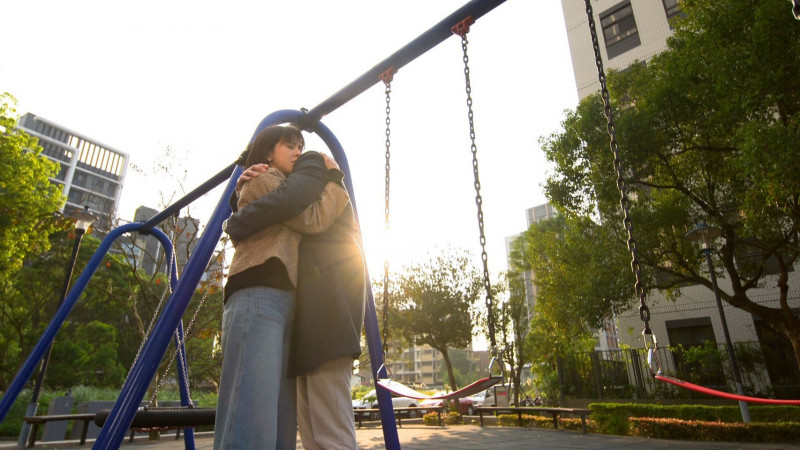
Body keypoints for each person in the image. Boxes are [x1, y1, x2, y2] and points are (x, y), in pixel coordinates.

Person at [225, 136, 366, 450]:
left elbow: (306, 215)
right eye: (290, 145)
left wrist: (333, 181)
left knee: (318, 429)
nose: (298, 151)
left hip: (320, 321)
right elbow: (295, 211)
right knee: (307, 428)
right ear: (268, 153)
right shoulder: (266, 178)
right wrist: (236, 211)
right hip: (298, 312)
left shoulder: (313, 198)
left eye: (301, 147)